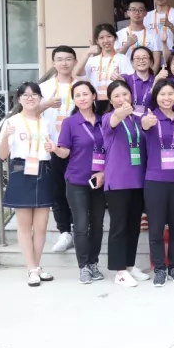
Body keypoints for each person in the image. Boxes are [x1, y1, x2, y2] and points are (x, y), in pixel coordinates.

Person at [0, 82, 58, 286]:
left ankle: (36, 267)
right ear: (19, 99)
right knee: (24, 226)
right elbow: (2, 154)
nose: (30, 98)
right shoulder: (12, 121)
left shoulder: (46, 122)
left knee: (41, 226)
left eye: (34, 94)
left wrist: (52, 147)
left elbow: (55, 147)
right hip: (21, 170)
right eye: (25, 95)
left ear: (40, 98)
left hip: (44, 170)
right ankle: (31, 268)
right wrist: (6, 136)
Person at [51, 81, 106, 284]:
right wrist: (55, 149)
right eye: (78, 95)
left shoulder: (104, 121)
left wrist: (104, 172)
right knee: (81, 225)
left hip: (99, 181)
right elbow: (65, 151)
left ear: (94, 96)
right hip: (77, 181)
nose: (82, 98)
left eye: (85, 94)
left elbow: (111, 150)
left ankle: (93, 263)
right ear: (74, 100)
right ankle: (83, 266)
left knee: (97, 225)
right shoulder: (70, 123)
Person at [140, 80, 174, 286]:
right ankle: (160, 268)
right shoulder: (150, 118)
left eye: (170, 94)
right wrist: (146, 122)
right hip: (155, 181)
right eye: (162, 94)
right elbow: (143, 125)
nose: (167, 98)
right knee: (156, 227)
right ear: (156, 97)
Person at [101, 80, 150, 287]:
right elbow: (114, 120)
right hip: (118, 181)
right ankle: (120, 271)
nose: (122, 99)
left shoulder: (137, 119)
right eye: (117, 96)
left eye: (125, 94)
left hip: (137, 180)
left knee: (133, 226)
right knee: (119, 227)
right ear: (111, 101)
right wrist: (120, 112)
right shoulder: (108, 118)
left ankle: (129, 265)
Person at [39, 46, 81, 254]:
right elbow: (29, 111)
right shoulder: (44, 87)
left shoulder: (81, 85)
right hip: (53, 147)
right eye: (60, 59)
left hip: (78, 149)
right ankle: (64, 232)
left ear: (75, 62)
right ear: (53, 63)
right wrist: (46, 104)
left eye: (68, 59)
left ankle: (78, 229)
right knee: (57, 191)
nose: (64, 63)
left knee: (78, 191)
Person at [76, 23, 134, 102]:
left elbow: (131, 80)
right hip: (96, 101)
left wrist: (120, 79)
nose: (106, 40)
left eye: (109, 36)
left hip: (116, 101)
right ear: (97, 41)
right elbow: (78, 73)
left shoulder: (123, 59)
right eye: (101, 38)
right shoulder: (92, 60)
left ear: (115, 38)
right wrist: (87, 53)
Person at [115, 0, 162, 71]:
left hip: (146, 75)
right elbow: (115, 59)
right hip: (125, 75)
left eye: (140, 10)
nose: (137, 13)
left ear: (145, 13)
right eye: (133, 10)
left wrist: (151, 76)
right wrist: (127, 45)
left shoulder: (154, 35)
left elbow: (156, 62)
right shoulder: (119, 35)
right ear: (128, 13)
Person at [123, 46, 157, 115]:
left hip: (150, 118)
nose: (141, 61)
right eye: (137, 58)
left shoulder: (156, 81)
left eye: (144, 57)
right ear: (132, 62)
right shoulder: (126, 79)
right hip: (129, 118)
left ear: (151, 61)